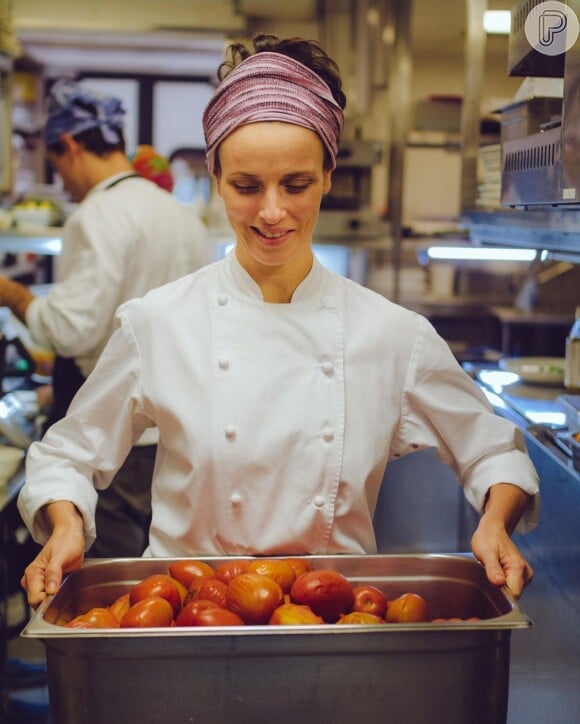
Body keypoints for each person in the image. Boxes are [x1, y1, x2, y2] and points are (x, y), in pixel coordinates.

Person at [18, 34, 539, 608]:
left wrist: (495, 522)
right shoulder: (158, 323)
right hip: (190, 620)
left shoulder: (392, 334)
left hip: (333, 622)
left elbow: (492, 450)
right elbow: (68, 455)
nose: (272, 212)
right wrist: (66, 525)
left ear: (327, 177)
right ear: (215, 177)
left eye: (296, 184)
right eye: (246, 186)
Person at [0, 79, 208, 558]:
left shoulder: (98, 214)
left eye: (56, 164)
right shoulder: (179, 215)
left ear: (69, 146)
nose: (64, 180)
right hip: (176, 431)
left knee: (110, 580)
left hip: (117, 436)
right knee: (163, 577)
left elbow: (73, 329)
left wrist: (15, 295)